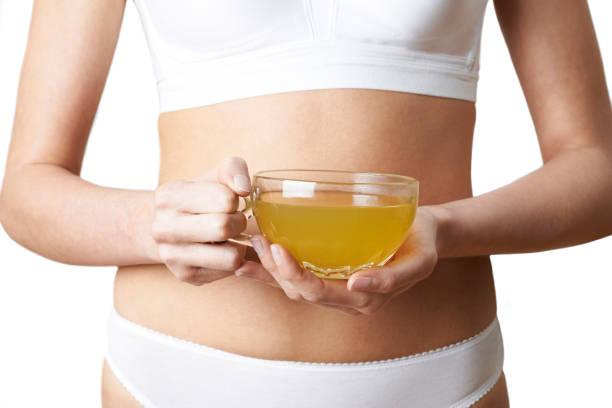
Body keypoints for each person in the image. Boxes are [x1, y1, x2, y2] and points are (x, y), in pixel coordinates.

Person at [1, 0, 611, 407]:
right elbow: (28, 187)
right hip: (173, 376)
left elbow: (597, 170)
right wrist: (150, 227)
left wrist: (441, 228)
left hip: (437, 381)